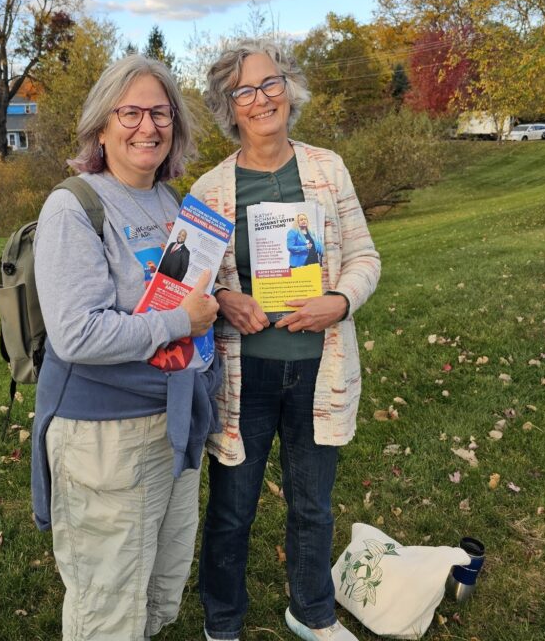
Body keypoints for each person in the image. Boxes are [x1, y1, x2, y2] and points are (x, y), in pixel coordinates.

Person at [190, 40, 381, 641]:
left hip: (317, 373)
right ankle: (222, 623)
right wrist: (223, 300)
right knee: (231, 510)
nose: (261, 98)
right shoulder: (210, 189)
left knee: (312, 507)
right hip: (244, 379)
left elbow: (365, 257)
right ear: (230, 106)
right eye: (245, 90)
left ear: (289, 89)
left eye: (270, 83)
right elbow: (190, 288)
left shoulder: (327, 168)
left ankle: (312, 612)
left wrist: (341, 300)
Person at [31, 54, 222, 641]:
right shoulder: (75, 206)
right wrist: (178, 323)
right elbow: (77, 333)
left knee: (157, 590)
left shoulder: (173, 206)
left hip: (173, 425)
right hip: (106, 441)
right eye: (131, 112)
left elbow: (189, 298)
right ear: (101, 126)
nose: (147, 127)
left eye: (160, 113)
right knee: (107, 606)